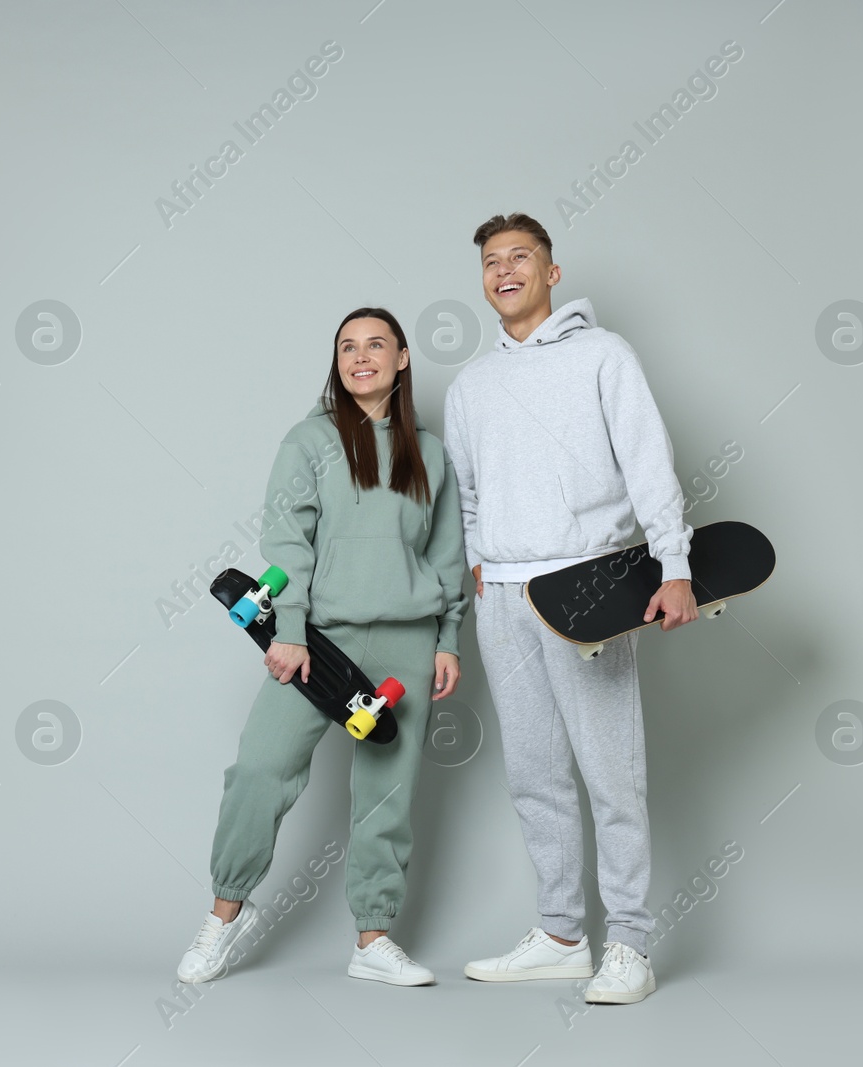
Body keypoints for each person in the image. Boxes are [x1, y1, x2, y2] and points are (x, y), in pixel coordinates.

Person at [176, 307, 469, 987]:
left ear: (402, 359)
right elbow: (287, 543)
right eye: (347, 346)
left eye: (376, 344)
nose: (360, 355)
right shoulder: (308, 442)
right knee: (260, 770)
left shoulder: (429, 450)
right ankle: (224, 917)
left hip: (407, 640)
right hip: (317, 640)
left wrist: (449, 637)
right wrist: (287, 630)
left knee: (385, 796)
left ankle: (374, 938)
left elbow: (448, 552)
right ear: (336, 361)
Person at [445, 213, 696, 1005]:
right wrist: (482, 569)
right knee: (534, 773)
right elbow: (472, 495)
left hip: (588, 586)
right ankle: (561, 934)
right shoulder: (470, 385)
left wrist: (676, 564)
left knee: (611, 772)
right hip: (504, 598)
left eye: (521, 256)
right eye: (492, 261)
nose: (505, 269)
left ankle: (629, 943)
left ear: (553, 273)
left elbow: (648, 463)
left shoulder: (604, 355)